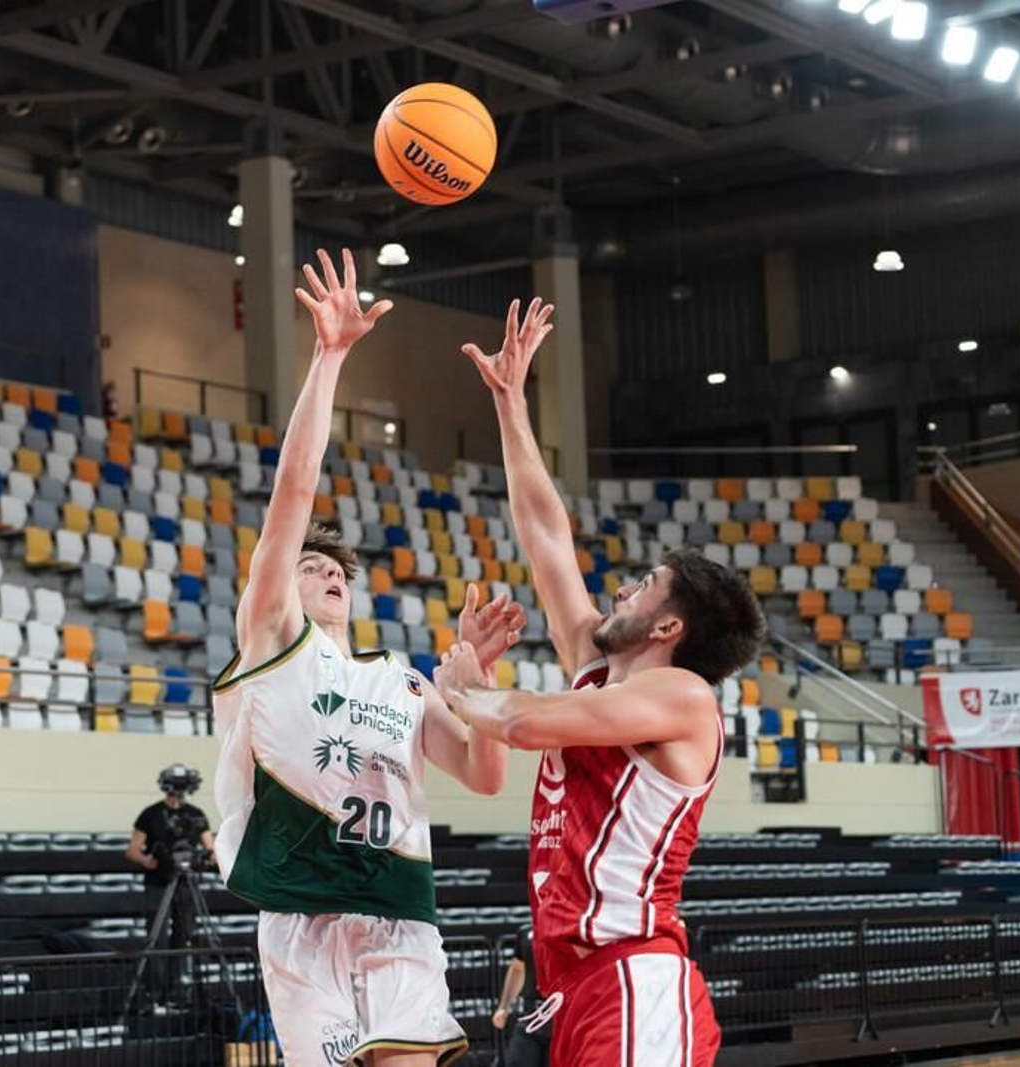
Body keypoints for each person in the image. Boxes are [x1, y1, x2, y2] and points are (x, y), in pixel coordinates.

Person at [212, 248, 527, 1067]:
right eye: (311, 567)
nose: (326, 575)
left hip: (397, 909)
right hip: (304, 912)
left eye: (338, 571)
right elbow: (292, 494)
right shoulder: (275, 642)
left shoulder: (404, 679)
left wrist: (483, 689)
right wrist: (330, 356)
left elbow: (487, 776)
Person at [434, 298, 766, 1067]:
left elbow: (520, 724)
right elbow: (547, 532)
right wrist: (510, 403)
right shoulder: (595, 667)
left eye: (645, 585)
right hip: (566, 983)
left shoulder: (683, 699)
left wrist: (461, 686)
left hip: (632, 972)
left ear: (669, 627)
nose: (622, 590)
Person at [125, 764, 215, 1010]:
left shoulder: (196, 815)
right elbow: (132, 851)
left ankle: (177, 992)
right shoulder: (151, 814)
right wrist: (148, 860)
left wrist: (206, 859)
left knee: (183, 938)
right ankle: (154, 993)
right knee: (157, 940)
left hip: (186, 885)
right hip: (158, 884)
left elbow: (212, 850)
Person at [491, 925, 549, 1067]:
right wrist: (504, 1006)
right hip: (530, 1015)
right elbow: (517, 968)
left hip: (561, 1020)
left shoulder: (571, 930)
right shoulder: (526, 931)